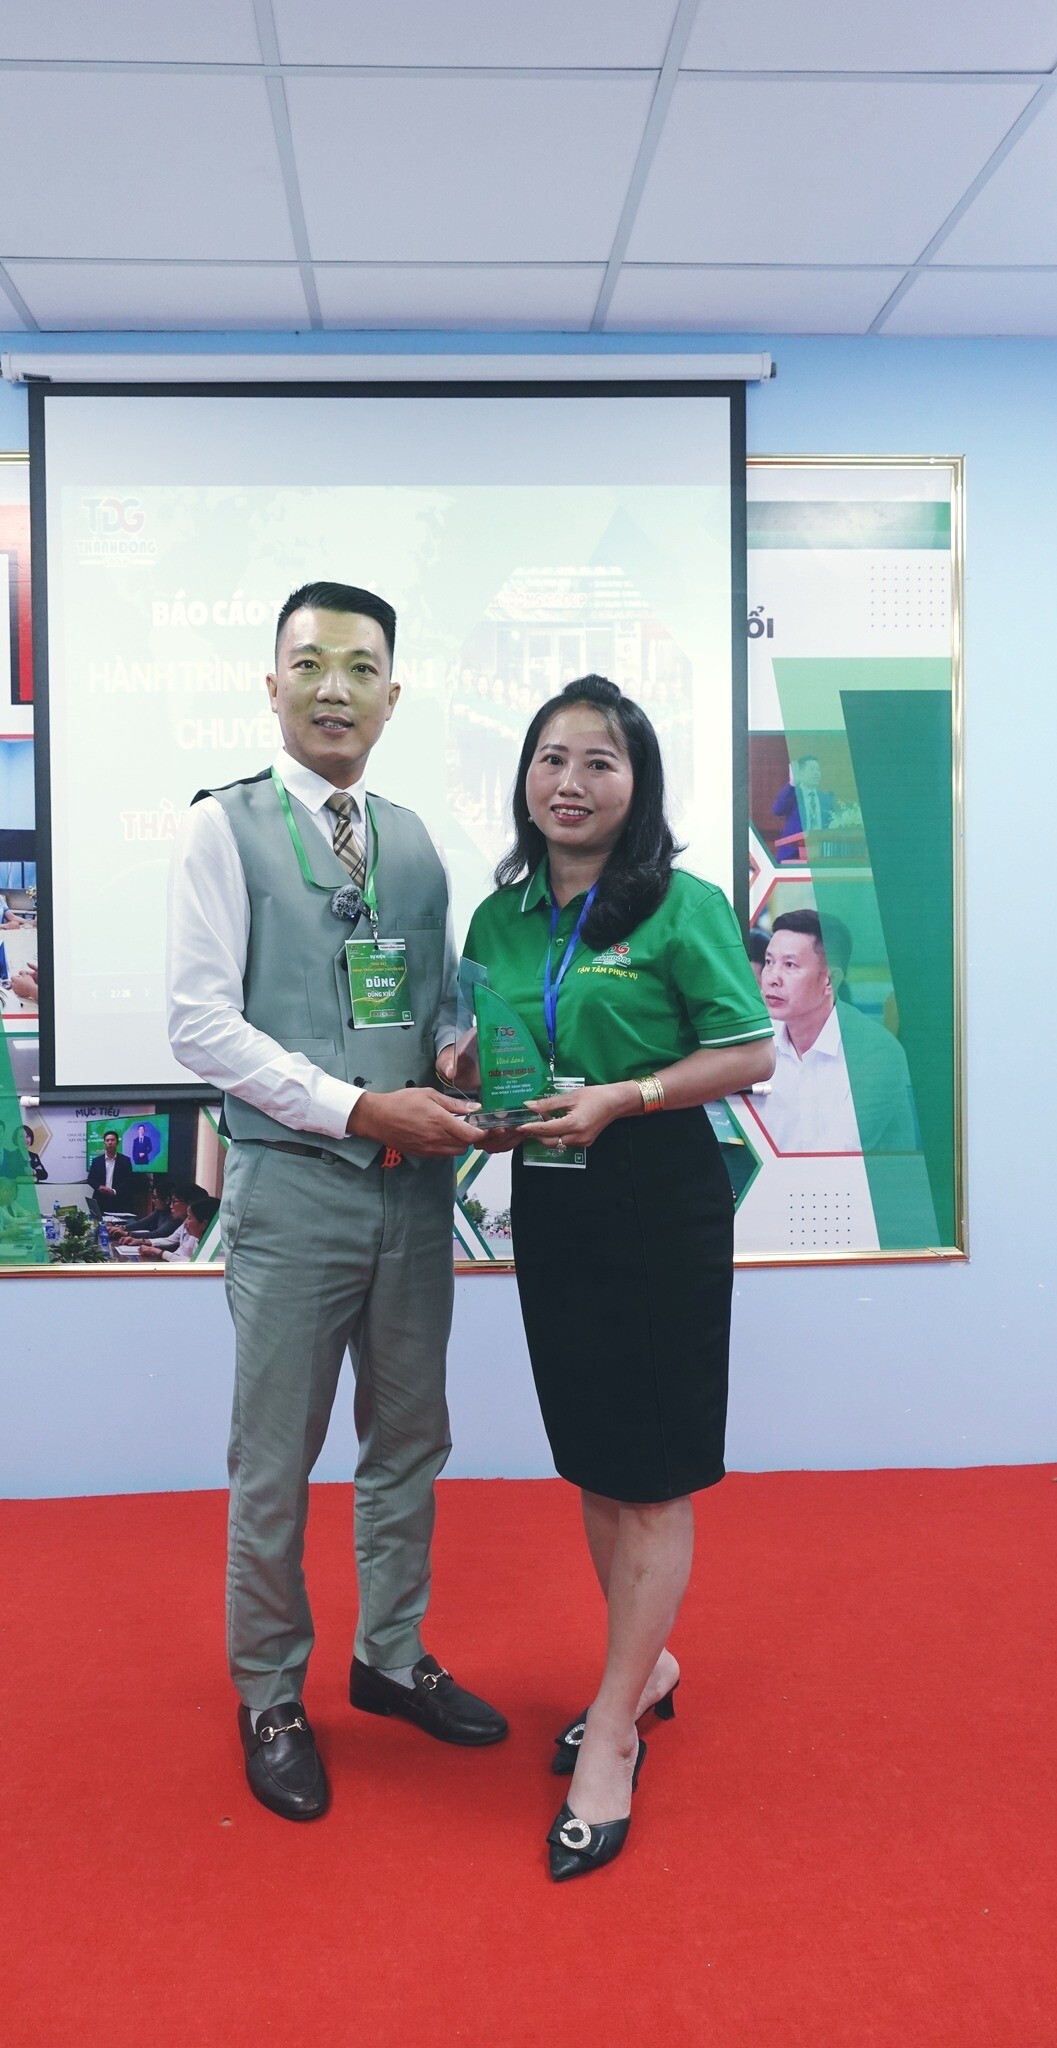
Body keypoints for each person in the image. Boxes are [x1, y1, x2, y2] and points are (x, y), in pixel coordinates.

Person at [167, 578, 507, 1825]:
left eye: (361, 667)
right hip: (294, 1187)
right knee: (275, 1458)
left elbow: (435, 1005)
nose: (333, 688)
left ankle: (390, 1654)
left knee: (410, 1438)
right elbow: (198, 1023)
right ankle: (269, 1691)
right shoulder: (223, 828)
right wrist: (361, 1108)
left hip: (413, 1196)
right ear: (272, 684)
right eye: (309, 663)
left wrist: (463, 1054)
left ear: (393, 695)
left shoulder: (414, 840)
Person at [459, 675, 774, 1882]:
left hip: (655, 1190)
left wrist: (624, 1094)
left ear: (636, 784)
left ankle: (611, 1731)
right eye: (551, 757)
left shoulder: (682, 905)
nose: (570, 781)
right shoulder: (500, 918)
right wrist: (476, 1077)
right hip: (553, 1190)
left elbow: (745, 1051)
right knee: (596, 1456)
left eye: (600, 760)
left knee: (651, 1473)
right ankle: (647, 1668)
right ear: (524, 778)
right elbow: (499, 1047)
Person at [757, 909, 917, 1154]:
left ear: (830, 980)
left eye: (790, 964)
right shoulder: (759, 1043)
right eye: (769, 962)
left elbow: (834, 1157)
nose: (771, 978)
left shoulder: (878, 1054)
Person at [771, 756, 834, 862]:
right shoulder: (793, 794)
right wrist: (792, 784)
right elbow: (778, 810)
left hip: (821, 854)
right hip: (793, 853)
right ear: (801, 773)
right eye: (812, 769)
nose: (817, 773)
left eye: (818, 770)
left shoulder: (825, 798)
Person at [86, 1128, 135, 1211]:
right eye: (107, 1140)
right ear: (104, 1143)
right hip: (100, 1199)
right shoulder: (96, 1161)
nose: (110, 1142)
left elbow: (129, 1180)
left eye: (112, 1140)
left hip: (119, 1199)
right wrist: (99, 1187)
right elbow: (90, 1179)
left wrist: (114, 1191)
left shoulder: (125, 1160)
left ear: (117, 1142)